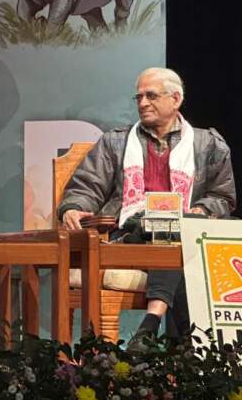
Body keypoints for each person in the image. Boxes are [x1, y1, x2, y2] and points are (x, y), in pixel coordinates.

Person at [58, 67, 235, 347]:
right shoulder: (115, 143)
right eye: (138, 97)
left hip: (185, 233)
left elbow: (223, 197)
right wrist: (74, 207)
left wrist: (201, 211)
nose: (142, 103)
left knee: (178, 231)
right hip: (132, 236)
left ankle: (151, 326)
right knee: (174, 237)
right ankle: (192, 353)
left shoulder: (208, 145)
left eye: (151, 96)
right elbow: (87, 186)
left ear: (175, 99)